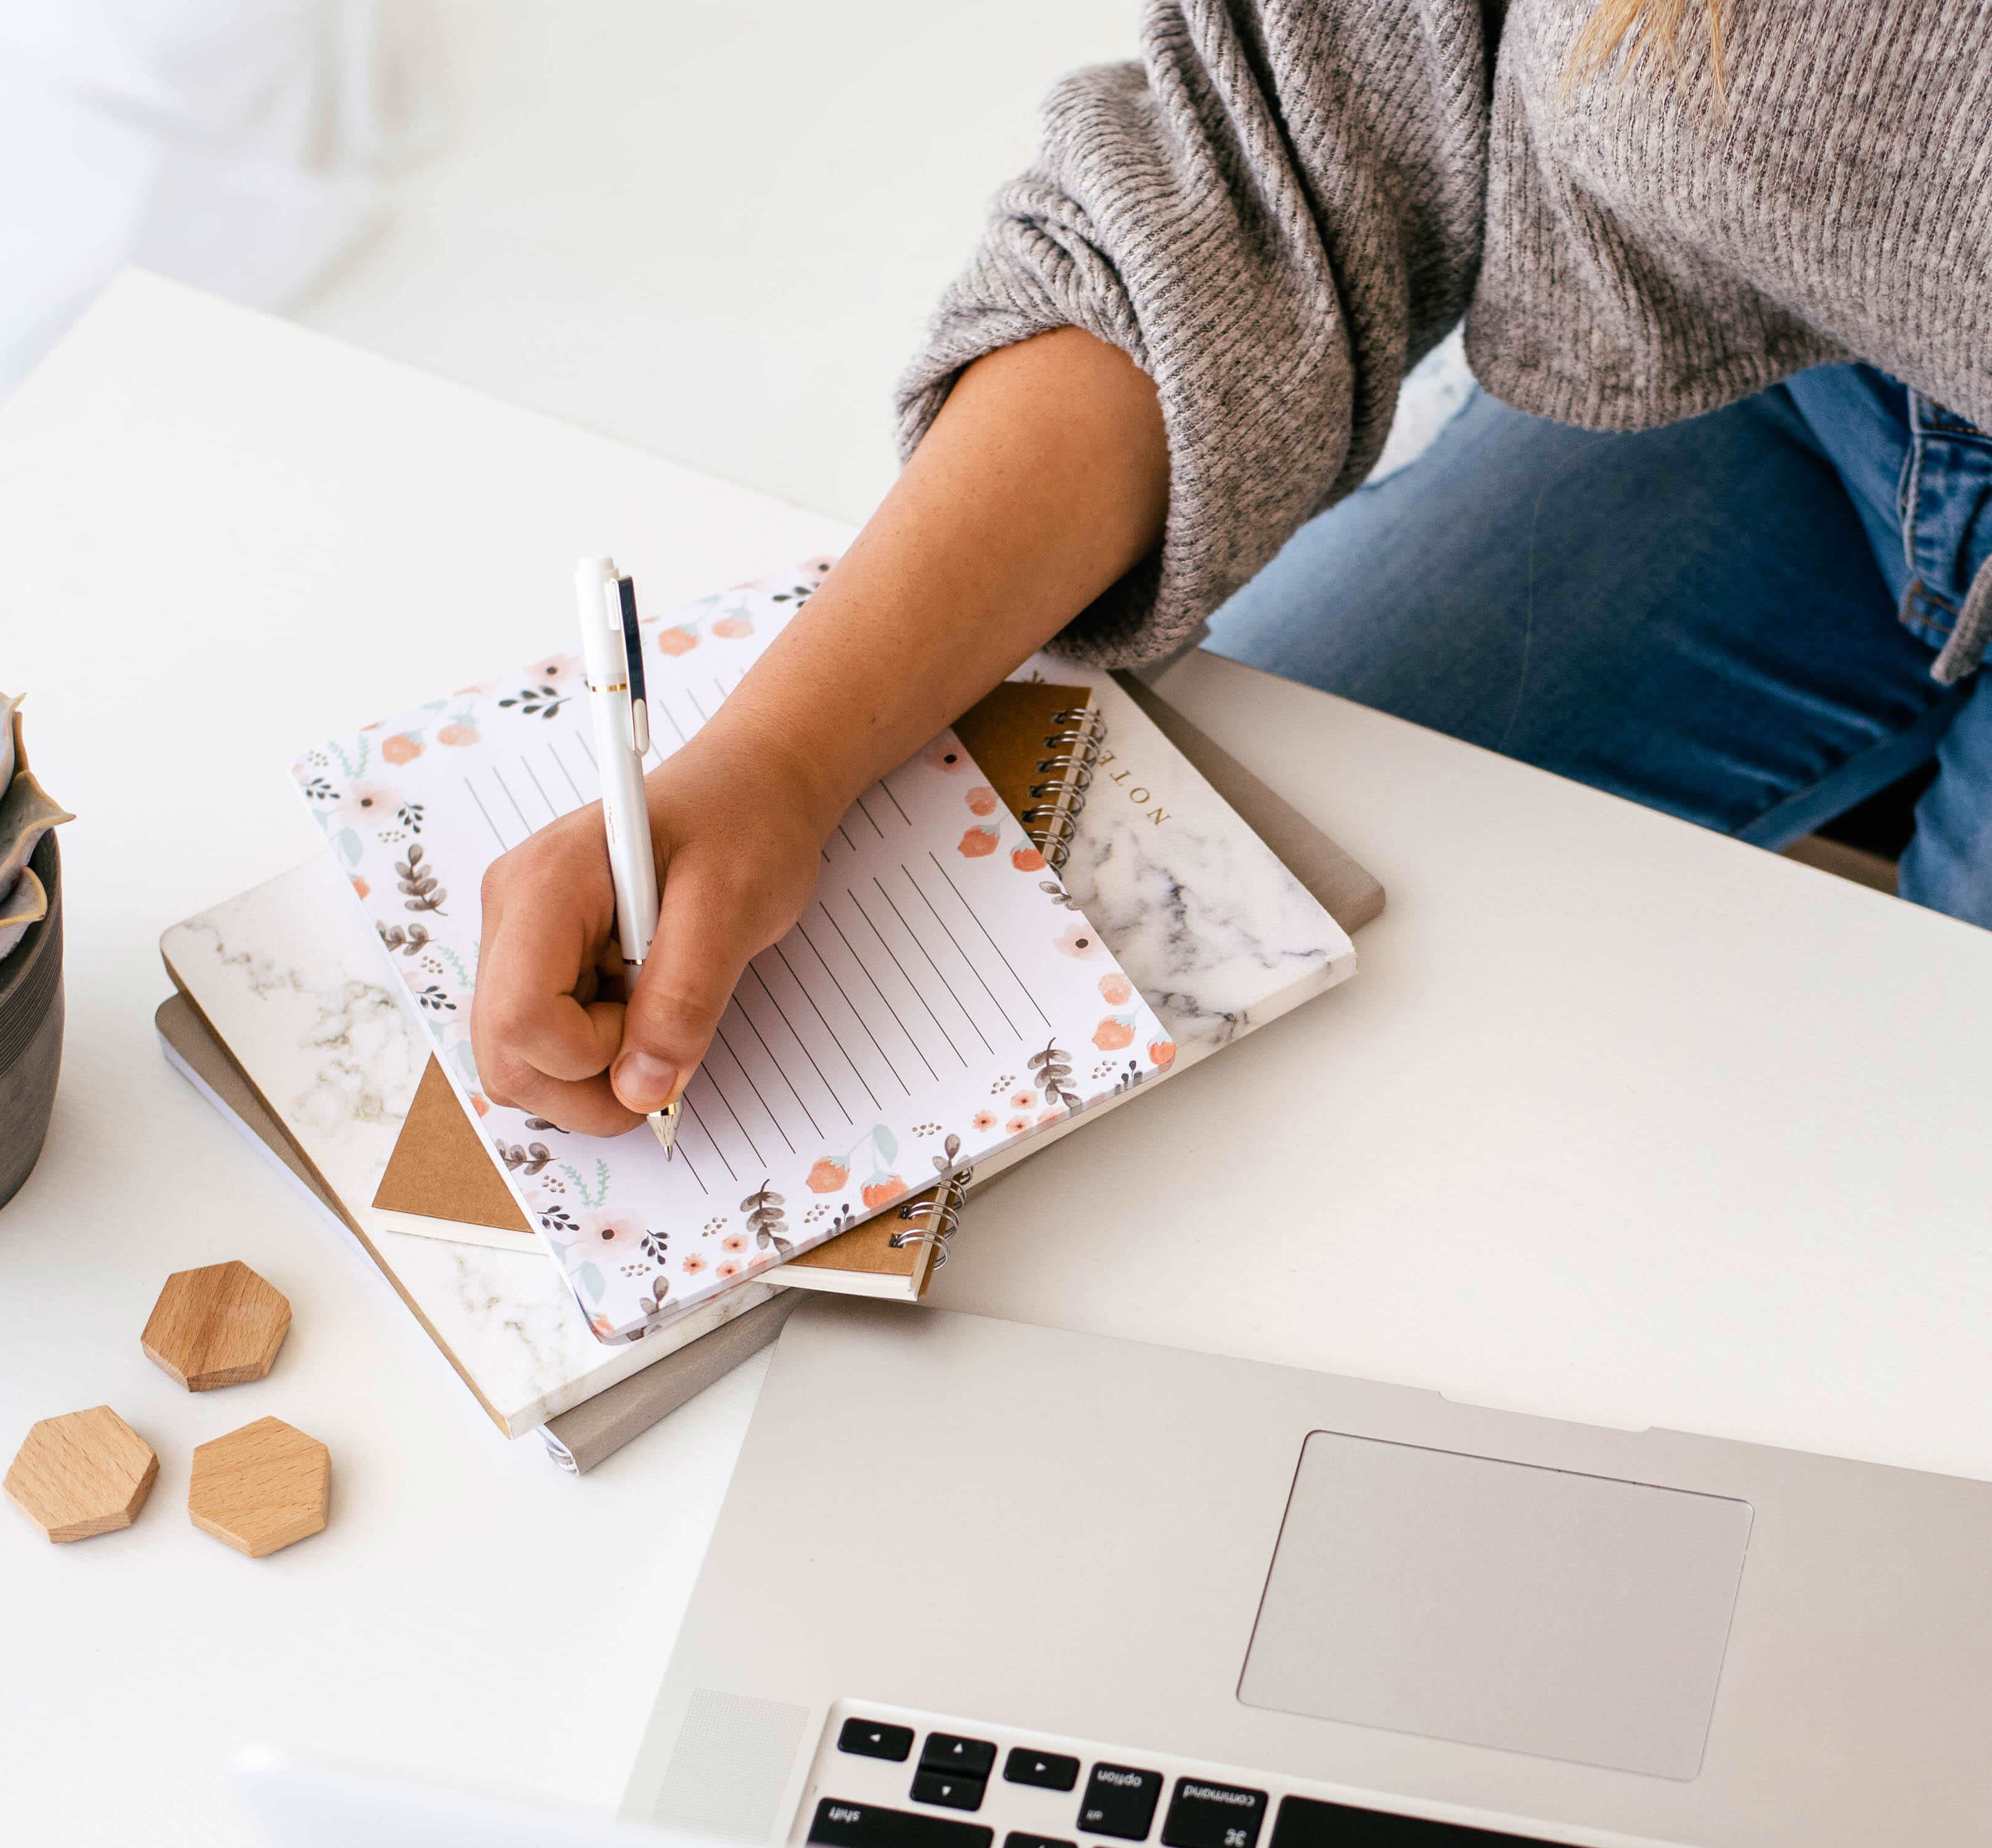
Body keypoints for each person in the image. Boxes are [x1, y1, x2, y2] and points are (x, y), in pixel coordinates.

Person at [473, 0, 1991, 1136]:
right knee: (1177, 917)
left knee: (1885, 1192)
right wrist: (777, 758)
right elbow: (1271, 160)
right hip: (1779, 378)